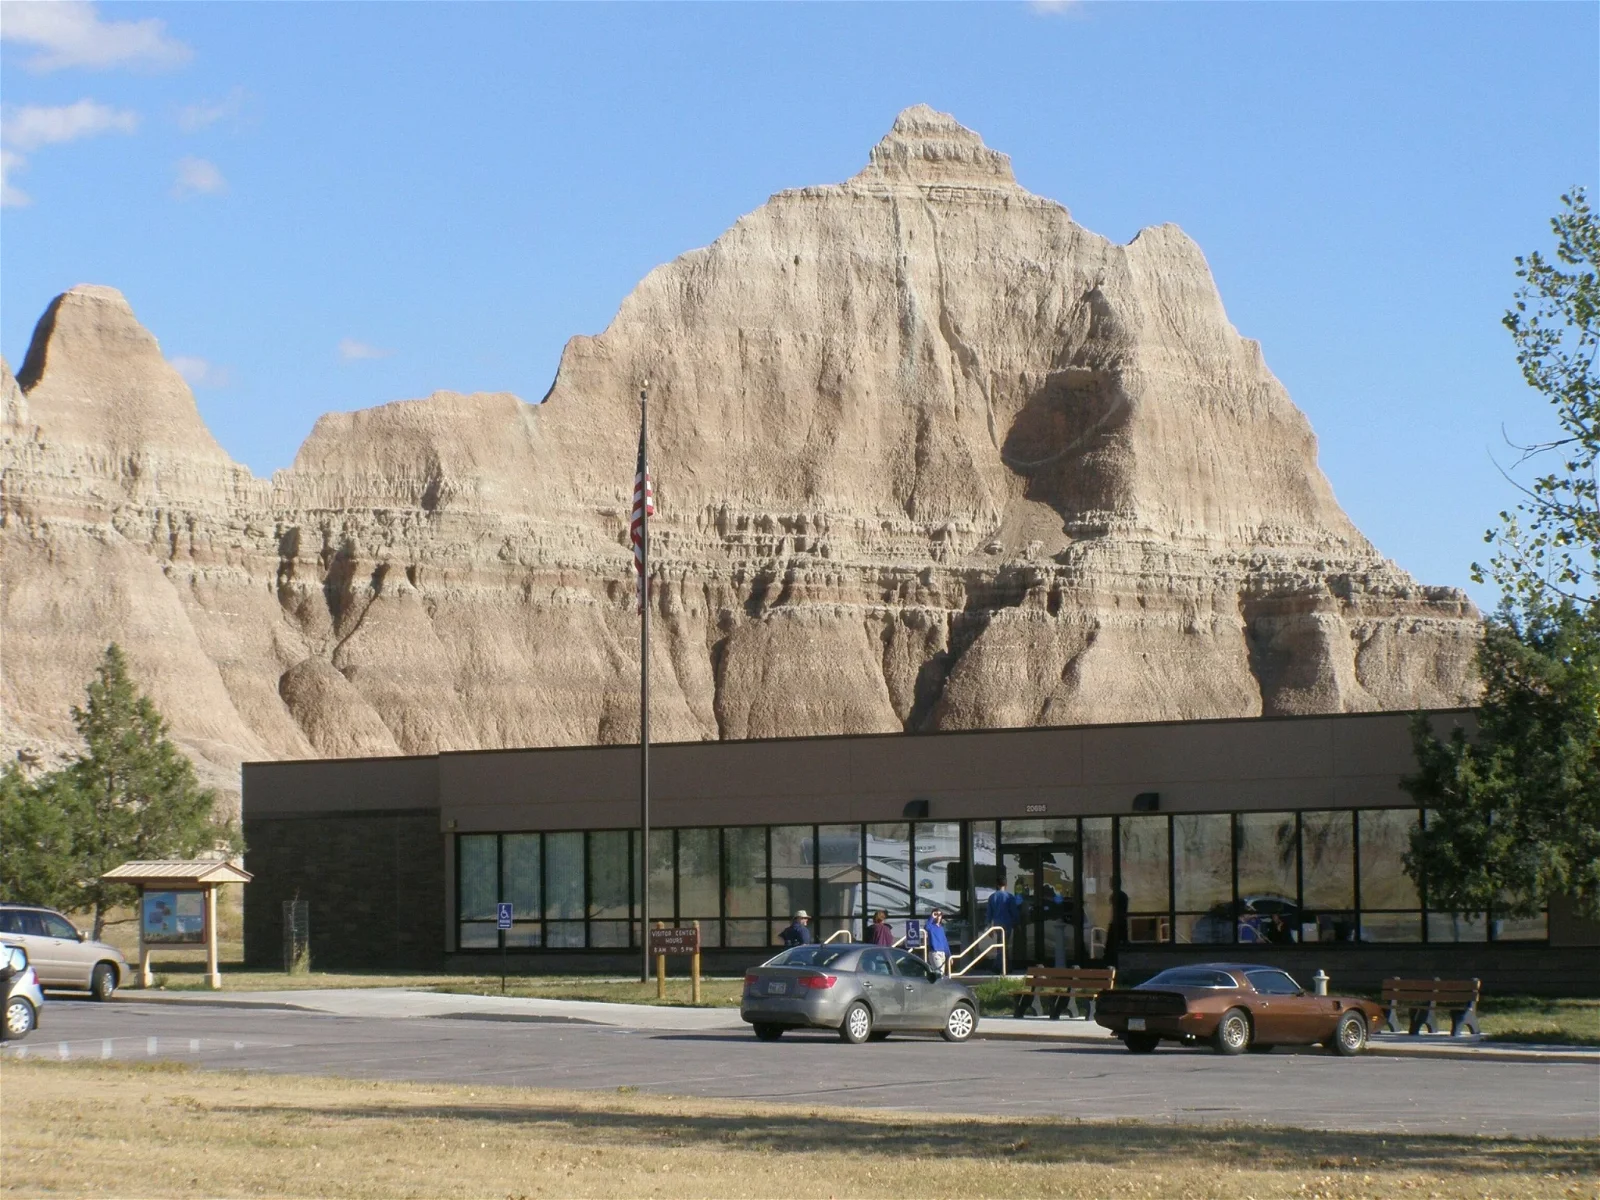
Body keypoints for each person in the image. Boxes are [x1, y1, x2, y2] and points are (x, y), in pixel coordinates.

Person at [925, 909, 951, 975]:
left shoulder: (941, 928)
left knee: (939, 974)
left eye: (940, 915)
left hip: (942, 954)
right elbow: (926, 927)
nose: (938, 916)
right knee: (940, 973)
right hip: (935, 953)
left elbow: (945, 942)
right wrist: (931, 917)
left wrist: (949, 956)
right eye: (936, 915)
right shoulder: (931, 927)